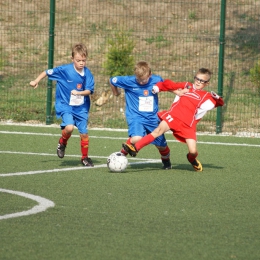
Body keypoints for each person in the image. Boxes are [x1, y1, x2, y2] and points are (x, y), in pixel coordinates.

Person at [123, 68, 224, 171]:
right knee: (157, 131)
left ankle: (191, 159)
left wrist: (217, 98)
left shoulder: (206, 95)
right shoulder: (187, 85)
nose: (198, 82)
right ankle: (135, 148)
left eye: (202, 81)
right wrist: (158, 87)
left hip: (187, 124)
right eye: (197, 79)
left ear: (207, 83)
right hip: (173, 116)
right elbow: (168, 84)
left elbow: (219, 103)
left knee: (193, 151)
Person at [109, 61, 185, 170]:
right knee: (137, 138)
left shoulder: (156, 80)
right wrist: (116, 93)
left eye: (144, 79)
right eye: (138, 79)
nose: (141, 82)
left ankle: (166, 161)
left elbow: (165, 86)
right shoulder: (128, 81)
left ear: (150, 75)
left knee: (161, 145)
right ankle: (120, 156)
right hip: (136, 117)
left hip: (152, 119)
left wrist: (177, 92)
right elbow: (112, 81)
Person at [30, 43, 95, 167]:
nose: (81, 63)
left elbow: (89, 91)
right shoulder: (64, 70)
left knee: (84, 134)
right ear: (72, 59)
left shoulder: (88, 74)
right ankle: (62, 142)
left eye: (83, 60)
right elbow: (47, 72)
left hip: (81, 108)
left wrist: (79, 93)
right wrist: (36, 81)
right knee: (69, 128)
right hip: (66, 106)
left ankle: (84, 158)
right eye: (78, 60)